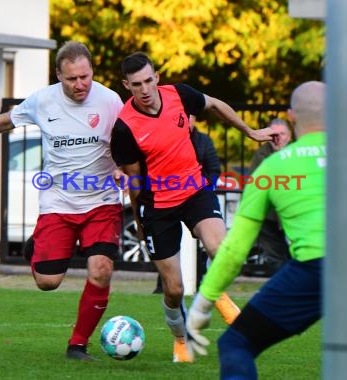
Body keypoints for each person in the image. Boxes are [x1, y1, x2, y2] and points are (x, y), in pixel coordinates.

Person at [187, 81, 347, 379]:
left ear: (291, 117)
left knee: (236, 344)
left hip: (317, 267)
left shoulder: (272, 168)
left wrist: (204, 301)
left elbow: (234, 248)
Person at [0, 41, 124, 361]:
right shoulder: (43, 101)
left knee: (101, 269)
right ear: (58, 76)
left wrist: (123, 167)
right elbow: (3, 121)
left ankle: (77, 345)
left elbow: (128, 139)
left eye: (85, 76)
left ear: (92, 70)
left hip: (102, 202)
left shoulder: (110, 100)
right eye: (72, 79)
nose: (81, 84)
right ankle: (36, 245)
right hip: (58, 203)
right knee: (48, 282)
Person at [110, 51, 275, 363]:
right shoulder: (124, 128)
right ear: (126, 85)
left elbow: (214, 104)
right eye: (136, 84)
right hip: (157, 206)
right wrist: (139, 222)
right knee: (173, 289)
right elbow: (133, 181)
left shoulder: (179, 95)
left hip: (195, 191)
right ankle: (181, 340)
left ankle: (216, 297)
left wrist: (249, 132)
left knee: (223, 250)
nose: (144, 89)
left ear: (156, 76)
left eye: (148, 80)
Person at [152, 122, 221, 294]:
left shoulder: (203, 140)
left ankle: (202, 281)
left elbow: (214, 169)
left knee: (213, 245)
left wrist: (204, 186)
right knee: (168, 249)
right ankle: (164, 286)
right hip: (167, 198)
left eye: (190, 116)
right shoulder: (162, 137)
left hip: (197, 197)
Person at [247, 118, 293, 276]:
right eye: (274, 134)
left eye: (282, 134)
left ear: (290, 135)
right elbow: (257, 184)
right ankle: (285, 290)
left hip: (293, 213)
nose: (278, 138)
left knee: (297, 255)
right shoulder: (261, 154)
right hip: (269, 215)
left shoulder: (297, 152)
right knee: (275, 258)